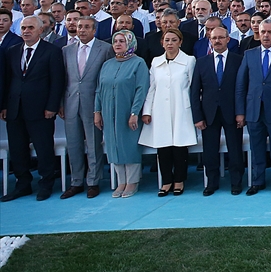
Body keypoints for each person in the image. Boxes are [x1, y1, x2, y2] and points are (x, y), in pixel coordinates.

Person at [1, 16, 67, 201]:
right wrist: (5, 105)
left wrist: (52, 106)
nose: (26, 31)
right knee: (17, 149)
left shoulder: (52, 51)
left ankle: (46, 184)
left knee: (43, 148)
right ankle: (23, 185)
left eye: (30, 27)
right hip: (15, 108)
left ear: (40, 30)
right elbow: (8, 81)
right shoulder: (12, 51)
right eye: (23, 28)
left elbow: (57, 81)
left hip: (41, 109)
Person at [235, 18, 271, 196]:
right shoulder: (249, 55)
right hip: (253, 109)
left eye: (270, 32)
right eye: (263, 32)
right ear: (258, 34)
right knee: (256, 146)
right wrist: (240, 112)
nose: (266, 35)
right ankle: (258, 181)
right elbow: (241, 85)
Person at [139, 28, 198, 196]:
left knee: (179, 146)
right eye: (167, 40)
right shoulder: (156, 62)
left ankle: (179, 180)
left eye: (173, 40)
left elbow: (194, 88)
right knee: (163, 147)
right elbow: (152, 88)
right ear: (162, 43)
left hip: (181, 108)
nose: (170, 43)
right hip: (160, 110)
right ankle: (166, 181)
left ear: (180, 42)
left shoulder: (189, 61)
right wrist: (147, 111)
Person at [61, 15, 114, 198]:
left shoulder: (105, 49)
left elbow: (106, 77)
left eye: (86, 27)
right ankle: (76, 182)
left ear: (94, 30)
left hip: (93, 103)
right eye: (79, 26)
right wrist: (61, 103)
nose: (81, 29)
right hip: (70, 103)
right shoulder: (67, 50)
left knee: (93, 143)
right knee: (73, 144)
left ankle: (93, 181)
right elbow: (64, 80)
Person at [93, 30, 150, 197]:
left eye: (122, 41)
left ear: (130, 44)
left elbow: (141, 89)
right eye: (115, 41)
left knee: (129, 146)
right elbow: (99, 89)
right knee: (113, 146)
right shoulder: (107, 64)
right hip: (108, 111)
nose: (117, 44)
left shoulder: (138, 63)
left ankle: (132, 182)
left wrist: (134, 112)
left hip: (128, 111)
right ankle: (121, 181)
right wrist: (97, 111)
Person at [190, 24, 244, 195]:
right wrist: (197, 117)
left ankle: (236, 182)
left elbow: (242, 88)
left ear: (228, 39)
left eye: (221, 37)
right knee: (210, 151)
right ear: (210, 40)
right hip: (209, 114)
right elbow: (194, 91)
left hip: (233, 112)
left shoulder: (238, 60)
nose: (218, 41)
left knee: (235, 149)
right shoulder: (201, 62)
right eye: (214, 38)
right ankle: (211, 183)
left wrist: (241, 113)